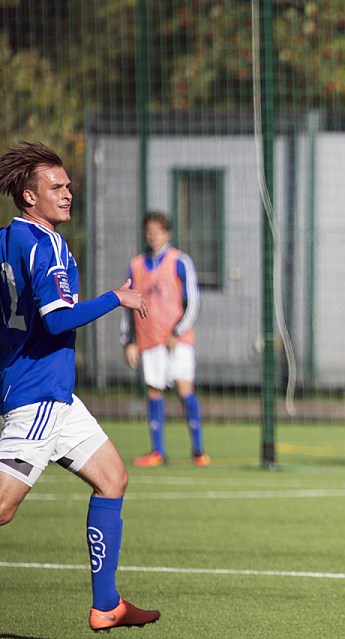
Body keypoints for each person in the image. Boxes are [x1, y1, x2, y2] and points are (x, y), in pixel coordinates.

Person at [0, 142, 161, 631]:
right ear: (30, 197)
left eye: (68, 185)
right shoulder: (44, 243)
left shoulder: (7, 238)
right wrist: (116, 297)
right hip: (38, 396)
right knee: (2, 508)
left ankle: (107, 604)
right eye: (56, 187)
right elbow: (57, 318)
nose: (68, 193)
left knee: (113, 477)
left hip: (53, 395)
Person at [121, 211, 208, 468]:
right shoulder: (136, 265)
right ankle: (158, 451)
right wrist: (129, 342)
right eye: (149, 231)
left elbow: (193, 302)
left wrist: (177, 331)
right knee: (154, 390)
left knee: (184, 388)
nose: (153, 235)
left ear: (167, 233)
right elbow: (127, 305)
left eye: (158, 231)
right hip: (148, 339)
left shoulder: (180, 261)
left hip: (177, 339)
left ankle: (198, 451)